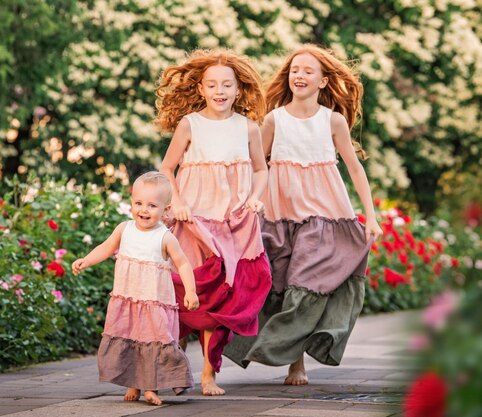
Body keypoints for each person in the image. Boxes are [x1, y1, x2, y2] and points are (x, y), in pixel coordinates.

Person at [224, 44, 383, 385]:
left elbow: (355, 171)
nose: (300, 75)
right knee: (280, 285)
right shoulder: (274, 119)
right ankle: (283, 355)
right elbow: (256, 166)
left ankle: (296, 363)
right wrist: (245, 201)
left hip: (324, 217)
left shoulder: (333, 121)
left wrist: (370, 216)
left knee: (305, 284)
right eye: (295, 69)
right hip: (279, 214)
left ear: (324, 81)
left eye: (308, 71)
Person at [157, 49, 273, 396]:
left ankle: (209, 374)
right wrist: (176, 201)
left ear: (239, 89)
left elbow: (260, 169)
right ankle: (169, 368)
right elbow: (166, 168)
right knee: (181, 294)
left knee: (221, 302)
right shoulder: (190, 124)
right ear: (201, 89)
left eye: (227, 84)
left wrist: (255, 197)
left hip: (233, 223)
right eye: (212, 84)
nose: (220, 90)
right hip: (193, 222)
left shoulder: (248, 127)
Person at [72, 171, 199, 406]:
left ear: (166, 210)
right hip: (128, 300)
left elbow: (183, 263)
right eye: (138, 203)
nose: (144, 210)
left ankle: (150, 387)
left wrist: (190, 291)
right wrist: (86, 260)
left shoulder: (165, 237)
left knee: (152, 340)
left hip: (153, 303)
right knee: (131, 339)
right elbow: (106, 248)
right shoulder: (124, 229)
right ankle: (134, 383)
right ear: (131, 203)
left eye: (152, 205)